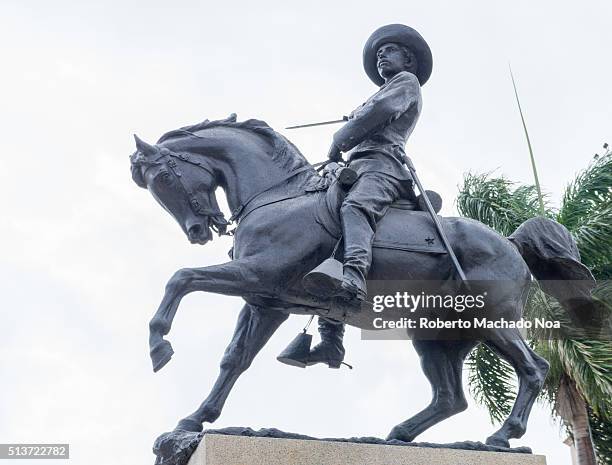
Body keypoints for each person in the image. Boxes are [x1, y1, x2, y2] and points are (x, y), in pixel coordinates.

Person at [291, 24, 433, 368]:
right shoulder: (389, 87)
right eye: (378, 52)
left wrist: (341, 137)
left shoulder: (406, 84)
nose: (381, 55)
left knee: (355, 208)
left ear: (409, 59)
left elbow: (377, 113)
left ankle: (353, 280)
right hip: (360, 165)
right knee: (326, 226)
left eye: (389, 50)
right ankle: (331, 340)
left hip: (383, 166)